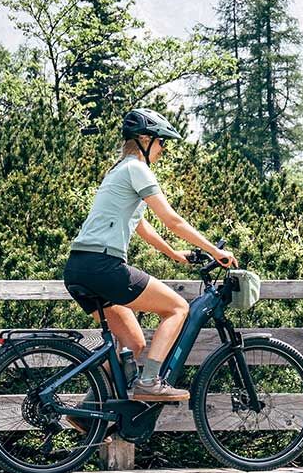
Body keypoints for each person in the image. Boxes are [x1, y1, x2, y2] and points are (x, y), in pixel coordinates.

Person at [61, 108, 236, 402]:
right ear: (144, 139)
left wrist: (175, 255)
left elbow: (142, 226)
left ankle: (88, 410)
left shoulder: (118, 172)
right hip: (104, 265)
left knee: (133, 341)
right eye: (160, 141)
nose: (163, 149)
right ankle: (150, 382)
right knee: (178, 309)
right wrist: (215, 251)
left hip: (80, 267)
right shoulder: (136, 168)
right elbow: (172, 220)